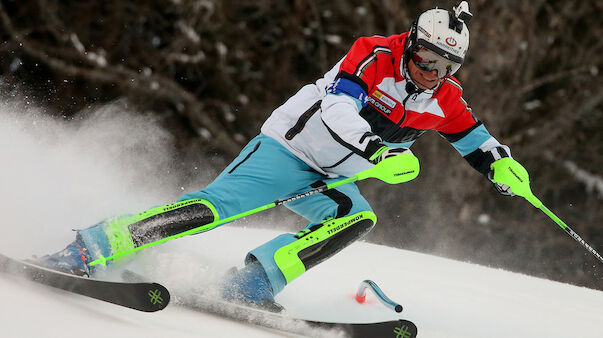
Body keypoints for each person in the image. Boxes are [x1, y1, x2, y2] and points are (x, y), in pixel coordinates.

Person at [38, 1, 521, 310]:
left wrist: (501, 165)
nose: (431, 73)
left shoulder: (444, 96)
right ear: (411, 43)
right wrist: (377, 150)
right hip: (289, 150)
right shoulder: (373, 54)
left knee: (355, 220)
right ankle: (91, 246)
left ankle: (253, 283)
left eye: (445, 66)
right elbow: (336, 107)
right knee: (213, 209)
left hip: (330, 179)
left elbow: (474, 139)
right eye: (425, 60)